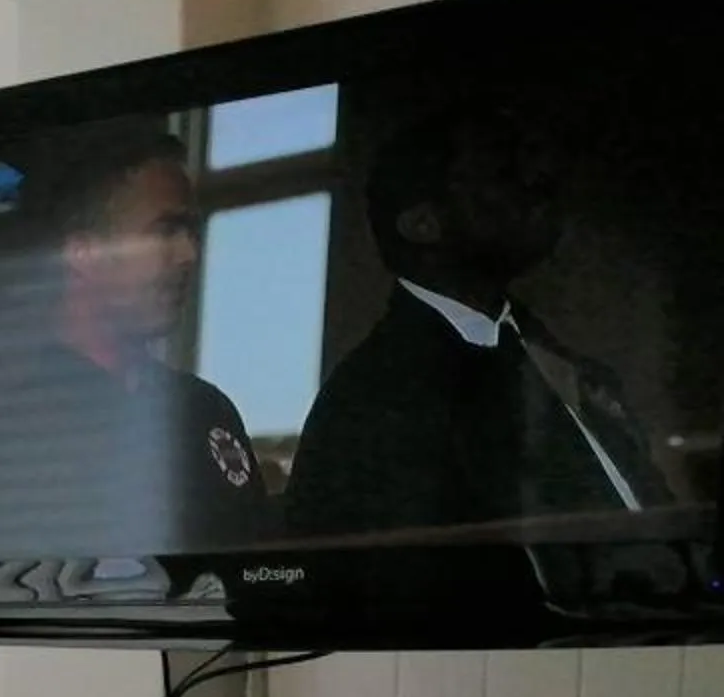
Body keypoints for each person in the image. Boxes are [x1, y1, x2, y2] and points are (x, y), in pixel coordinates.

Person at [284, 101, 668, 536]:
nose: (537, 183)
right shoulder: (372, 403)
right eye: (501, 173)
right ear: (424, 224)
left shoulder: (571, 371)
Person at [0, 123, 278, 567]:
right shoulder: (16, 436)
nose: (188, 254)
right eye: (165, 232)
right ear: (82, 253)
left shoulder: (206, 409)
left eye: (191, 233)